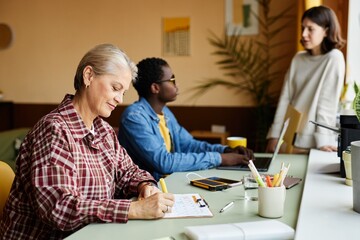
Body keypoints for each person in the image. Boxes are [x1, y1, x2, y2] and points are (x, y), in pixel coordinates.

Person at [0, 44, 174, 240]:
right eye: (115, 88)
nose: (119, 99)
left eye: (123, 93)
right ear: (89, 76)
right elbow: (59, 208)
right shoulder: (54, 130)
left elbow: (128, 172)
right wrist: (134, 209)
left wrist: (144, 185)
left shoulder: (104, 130)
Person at [118, 57, 254, 181]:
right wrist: (220, 159)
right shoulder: (134, 117)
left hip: (173, 181)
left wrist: (225, 150)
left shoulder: (165, 113)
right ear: (155, 87)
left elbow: (189, 145)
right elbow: (164, 162)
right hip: (150, 188)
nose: (176, 85)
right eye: (172, 80)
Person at [266, 5, 345, 153]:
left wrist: (324, 140)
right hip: (287, 138)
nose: (303, 34)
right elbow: (285, 98)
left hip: (313, 144)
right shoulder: (298, 58)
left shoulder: (334, 58)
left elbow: (327, 103)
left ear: (326, 31)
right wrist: (274, 135)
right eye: (303, 28)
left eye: (310, 29)